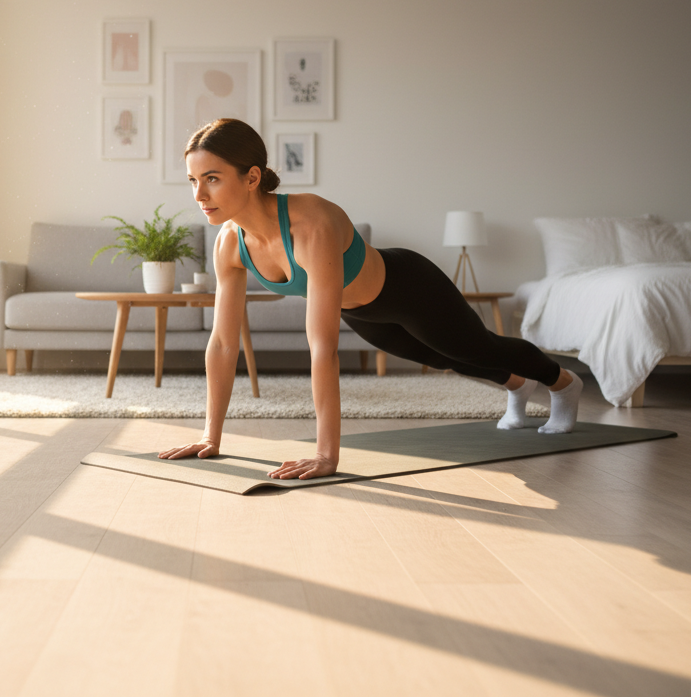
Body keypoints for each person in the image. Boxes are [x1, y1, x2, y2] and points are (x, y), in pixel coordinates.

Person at [158, 118, 582, 480]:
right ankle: (518, 386)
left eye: (212, 179)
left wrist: (327, 455)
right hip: (362, 311)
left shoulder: (311, 223)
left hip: (409, 288)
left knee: (476, 347)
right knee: (444, 358)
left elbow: (322, 346)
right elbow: (223, 343)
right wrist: (209, 437)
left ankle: (562, 384)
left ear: (251, 177)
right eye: (194, 181)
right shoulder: (229, 244)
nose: (199, 195)